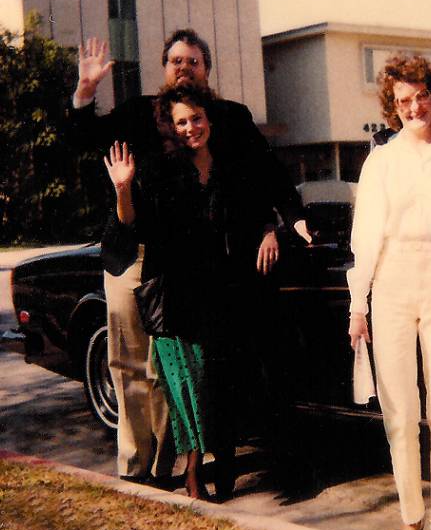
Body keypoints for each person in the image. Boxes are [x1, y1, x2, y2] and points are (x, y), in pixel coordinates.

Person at [68, 29, 310, 493]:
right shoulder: (140, 113)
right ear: (164, 68)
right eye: (176, 60)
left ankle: (174, 464)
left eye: (194, 60)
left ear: (207, 69)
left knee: (179, 369)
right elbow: (84, 136)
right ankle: (137, 467)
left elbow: (264, 175)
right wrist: (86, 90)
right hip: (133, 249)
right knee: (132, 363)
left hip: (191, 261)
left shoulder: (229, 119)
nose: (184, 67)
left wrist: (281, 222)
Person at [102, 84, 278, 499]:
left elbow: (255, 208)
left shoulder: (229, 168)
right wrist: (123, 188)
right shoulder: (159, 170)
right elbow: (132, 224)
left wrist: (270, 229)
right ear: (171, 127)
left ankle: (225, 464)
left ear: (209, 120)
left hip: (221, 292)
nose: (190, 128)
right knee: (186, 388)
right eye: (181, 122)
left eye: (196, 119)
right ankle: (194, 472)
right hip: (176, 296)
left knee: (220, 384)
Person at [347, 54, 431, 530]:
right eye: (403, 100)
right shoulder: (381, 160)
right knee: (400, 413)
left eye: (421, 96)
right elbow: (366, 238)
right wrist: (359, 304)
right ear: (392, 108)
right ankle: (411, 520)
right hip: (392, 283)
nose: (414, 106)